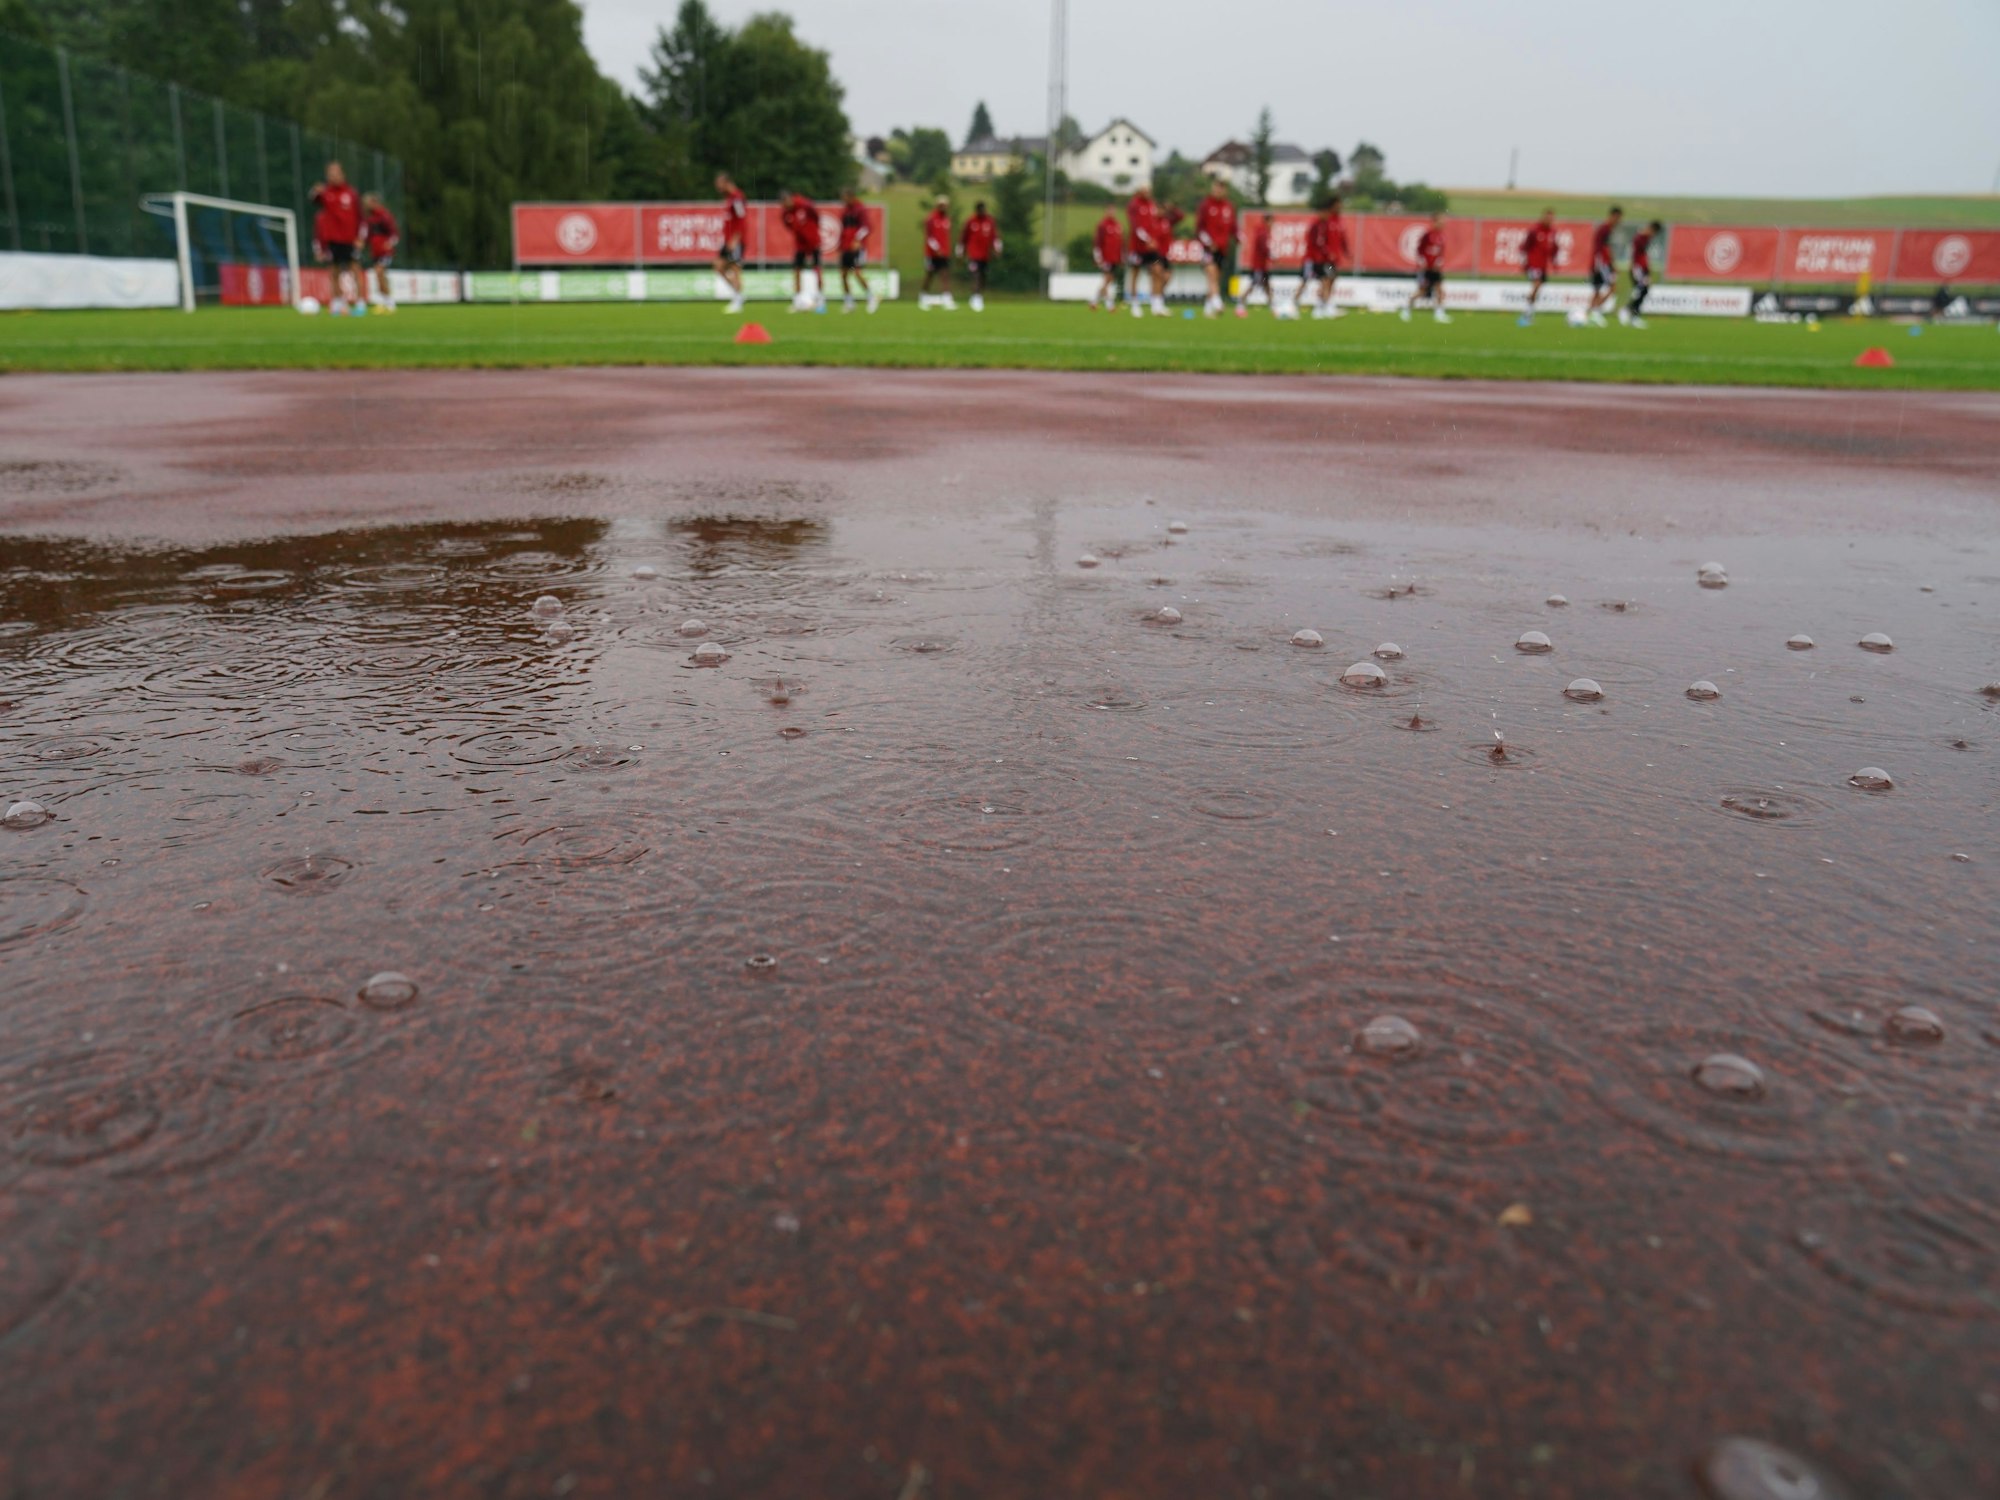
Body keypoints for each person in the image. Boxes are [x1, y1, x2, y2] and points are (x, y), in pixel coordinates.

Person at [308, 161, 362, 315]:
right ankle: (338, 303)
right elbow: (312, 200)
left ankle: (359, 302)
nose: (333, 175)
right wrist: (315, 190)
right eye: (330, 173)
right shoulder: (325, 193)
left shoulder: (351, 193)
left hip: (350, 239)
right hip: (333, 239)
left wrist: (360, 237)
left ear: (342, 174)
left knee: (355, 269)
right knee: (334, 271)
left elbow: (360, 217)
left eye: (336, 172)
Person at [1196, 179, 1237, 318]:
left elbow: (1233, 227)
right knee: (1211, 273)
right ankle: (1218, 302)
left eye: (1221, 188)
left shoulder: (1229, 206)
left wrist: (1238, 237)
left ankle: (1208, 308)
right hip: (1209, 249)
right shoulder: (1205, 205)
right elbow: (1200, 229)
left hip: (1222, 248)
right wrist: (1208, 243)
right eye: (1216, 188)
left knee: (1215, 278)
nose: (1218, 191)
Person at [1126, 188, 1170, 317]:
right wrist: (1147, 239)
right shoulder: (1134, 205)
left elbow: (1153, 224)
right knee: (1136, 274)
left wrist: (1153, 240)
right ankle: (1135, 305)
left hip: (1151, 249)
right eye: (1145, 190)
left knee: (1158, 270)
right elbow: (1136, 226)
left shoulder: (1152, 205)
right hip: (1137, 248)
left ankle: (1156, 305)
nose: (1148, 192)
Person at [1300, 198, 1346, 319]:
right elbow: (1318, 242)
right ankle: (1323, 306)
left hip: (1330, 259)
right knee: (1321, 280)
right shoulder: (1321, 223)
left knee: (1329, 279)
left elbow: (1341, 238)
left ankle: (1323, 305)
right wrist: (1327, 252)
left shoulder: (1335, 221)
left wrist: (1345, 251)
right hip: (1321, 259)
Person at [1401, 211, 1451, 323]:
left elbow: (1440, 253)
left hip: (1436, 269)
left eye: (1444, 221)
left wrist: (1439, 262)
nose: (1443, 223)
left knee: (1440, 290)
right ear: (1435, 222)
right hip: (1427, 269)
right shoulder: (1428, 235)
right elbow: (1420, 250)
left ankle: (1439, 313)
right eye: (1441, 221)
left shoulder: (1442, 236)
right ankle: (1406, 310)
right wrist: (1423, 262)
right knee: (1422, 292)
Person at [779, 188, 823, 311]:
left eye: (786, 202)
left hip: (813, 241)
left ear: (790, 199)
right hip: (800, 244)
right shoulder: (785, 213)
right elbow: (788, 225)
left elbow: (816, 216)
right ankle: (797, 300)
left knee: (817, 269)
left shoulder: (805, 205)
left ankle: (820, 298)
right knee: (797, 270)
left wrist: (811, 231)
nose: (785, 205)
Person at [837, 191, 878, 314]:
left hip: (856, 248)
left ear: (851, 197)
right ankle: (849, 302)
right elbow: (843, 229)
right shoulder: (845, 211)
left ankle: (871, 297)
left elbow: (867, 227)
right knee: (843, 275)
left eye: (845, 198)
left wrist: (857, 240)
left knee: (857, 272)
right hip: (845, 247)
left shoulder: (860, 209)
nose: (843, 200)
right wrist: (840, 245)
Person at [715, 172, 748, 313]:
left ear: (727, 182)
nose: (718, 187)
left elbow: (742, 220)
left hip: (736, 241)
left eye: (719, 184)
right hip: (728, 240)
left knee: (735, 269)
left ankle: (738, 300)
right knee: (718, 267)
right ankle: (738, 295)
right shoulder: (729, 198)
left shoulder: (737, 198)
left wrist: (735, 240)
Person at [1585, 205, 1623, 326]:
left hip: (1598, 262)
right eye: (1618, 218)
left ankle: (1588, 315)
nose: (1619, 221)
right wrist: (1612, 264)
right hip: (1602, 263)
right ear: (1614, 216)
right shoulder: (1606, 229)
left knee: (1597, 290)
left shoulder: (1604, 228)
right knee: (1612, 288)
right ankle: (1595, 313)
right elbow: (1604, 248)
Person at [960, 200, 1000, 312]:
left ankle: (977, 296)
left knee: (983, 277)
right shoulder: (970, 221)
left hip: (985, 255)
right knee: (975, 275)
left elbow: (995, 237)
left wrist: (997, 250)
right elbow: (963, 238)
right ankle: (976, 297)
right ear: (977, 210)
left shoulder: (990, 221)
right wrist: (960, 252)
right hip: (973, 255)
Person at [361, 193, 398, 313]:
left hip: (385, 251)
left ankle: (388, 301)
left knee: (379, 272)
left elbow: (394, 233)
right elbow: (366, 236)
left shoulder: (384, 216)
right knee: (380, 276)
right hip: (375, 251)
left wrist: (390, 244)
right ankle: (386, 301)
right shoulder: (368, 219)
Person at [1518, 208, 1556, 324]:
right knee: (1537, 284)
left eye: (1552, 218)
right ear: (1543, 217)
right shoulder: (1535, 231)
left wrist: (1554, 261)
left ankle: (1529, 312)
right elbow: (1524, 247)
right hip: (1534, 264)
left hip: (1543, 266)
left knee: (1538, 287)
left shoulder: (1552, 232)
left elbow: (1553, 248)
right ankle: (1526, 313)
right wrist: (1524, 262)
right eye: (1548, 218)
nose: (1550, 220)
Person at [1620, 220, 1661, 327]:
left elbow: (1644, 256)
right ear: (1651, 229)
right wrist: (1633, 267)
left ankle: (1631, 313)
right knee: (1641, 290)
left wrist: (1648, 271)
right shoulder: (1639, 238)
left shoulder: (1645, 238)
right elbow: (1634, 254)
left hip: (1643, 268)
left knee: (1643, 290)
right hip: (1638, 268)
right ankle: (1628, 312)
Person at [919, 196, 956, 310]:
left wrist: (946, 250)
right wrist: (937, 249)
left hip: (944, 253)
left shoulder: (947, 220)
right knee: (929, 275)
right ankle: (923, 297)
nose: (943, 207)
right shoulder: (931, 219)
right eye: (941, 205)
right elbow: (929, 237)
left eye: (945, 205)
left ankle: (947, 298)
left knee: (945, 275)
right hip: (932, 254)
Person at [1237, 212, 1273, 316]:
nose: (1272, 224)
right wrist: (1271, 255)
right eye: (1271, 222)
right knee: (1254, 284)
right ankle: (1241, 302)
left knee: (1266, 284)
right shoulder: (1262, 232)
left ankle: (1272, 304)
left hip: (1262, 265)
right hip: (1258, 265)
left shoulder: (1264, 231)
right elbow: (1263, 247)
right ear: (1267, 221)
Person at [1090, 210, 1124, 310]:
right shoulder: (1102, 225)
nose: (1112, 213)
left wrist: (1121, 257)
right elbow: (1097, 242)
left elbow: (1120, 243)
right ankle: (1110, 305)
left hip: (1115, 258)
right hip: (1106, 257)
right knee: (1107, 279)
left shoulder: (1118, 225)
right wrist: (1097, 256)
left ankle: (1094, 301)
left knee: (1109, 280)